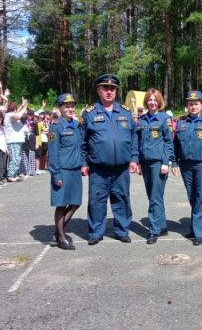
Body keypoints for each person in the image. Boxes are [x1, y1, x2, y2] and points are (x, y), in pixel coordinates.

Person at [82, 74, 138, 245]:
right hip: (98, 168)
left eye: (112, 88)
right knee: (97, 201)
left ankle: (122, 231)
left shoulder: (125, 112)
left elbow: (133, 137)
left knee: (121, 199)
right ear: (99, 90)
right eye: (105, 88)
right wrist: (83, 163)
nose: (109, 91)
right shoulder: (89, 114)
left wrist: (134, 159)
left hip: (121, 168)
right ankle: (96, 232)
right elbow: (82, 141)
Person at [172, 90, 202, 246]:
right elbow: (175, 146)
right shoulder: (181, 123)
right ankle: (195, 228)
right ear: (187, 105)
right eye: (190, 104)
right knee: (192, 196)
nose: (193, 107)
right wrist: (173, 162)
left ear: (201, 105)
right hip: (186, 165)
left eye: (196, 104)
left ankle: (199, 233)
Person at [48, 93, 87, 250]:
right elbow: (53, 152)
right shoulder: (56, 126)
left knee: (75, 202)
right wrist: (56, 174)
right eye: (67, 106)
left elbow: (82, 146)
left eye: (72, 106)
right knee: (61, 204)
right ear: (60, 108)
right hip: (62, 171)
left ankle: (58, 231)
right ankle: (61, 237)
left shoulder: (77, 125)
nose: (71, 108)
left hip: (75, 170)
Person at [136, 88, 174, 244]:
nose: (152, 102)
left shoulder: (164, 119)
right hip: (145, 162)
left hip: (158, 163)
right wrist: (138, 161)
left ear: (159, 101)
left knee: (154, 198)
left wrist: (166, 162)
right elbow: (138, 142)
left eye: (155, 99)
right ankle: (162, 226)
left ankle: (153, 230)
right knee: (153, 195)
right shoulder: (142, 120)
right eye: (149, 99)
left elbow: (168, 142)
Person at [4, 99, 28, 182]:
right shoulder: (9, 115)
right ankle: (10, 175)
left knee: (17, 158)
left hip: (17, 140)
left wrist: (22, 106)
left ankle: (14, 174)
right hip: (13, 141)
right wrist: (24, 107)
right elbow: (17, 115)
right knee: (14, 159)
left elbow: (18, 114)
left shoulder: (11, 115)